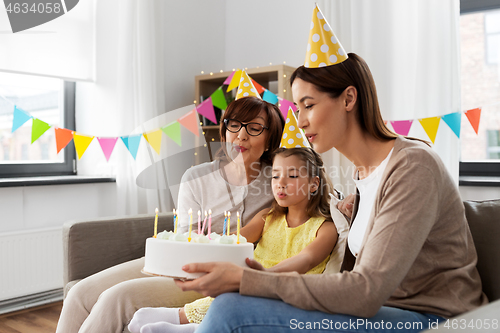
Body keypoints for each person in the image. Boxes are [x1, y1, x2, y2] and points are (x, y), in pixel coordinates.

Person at [174, 53, 488, 333]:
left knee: (230, 310)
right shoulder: (363, 176)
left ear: (348, 99)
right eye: (297, 108)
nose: (300, 119)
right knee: (229, 303)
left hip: (430, 316)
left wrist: (251, 281)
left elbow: (365, 290)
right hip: (383, 308)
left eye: (308, 105)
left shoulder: (412, 166)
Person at [55, 96, 285, 333]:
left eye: (255, 128)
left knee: (116, 297)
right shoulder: (196, 177)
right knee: (79, 293)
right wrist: (253, 227)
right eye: (233, 125)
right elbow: (187, 241)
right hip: (176, 263)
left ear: (270, 139)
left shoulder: (281, 181)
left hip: (212, 279)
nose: (241, 135)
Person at [128, 147, 339, 333]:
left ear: (313, 185)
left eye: (292, 176)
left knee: (235, 300)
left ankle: (187, 323)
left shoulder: (325, 227)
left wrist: (262, 277)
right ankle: (186, 319)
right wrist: (205, 247)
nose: (281, 184)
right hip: (252, 284)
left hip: (288, 293)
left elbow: (306, 260)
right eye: (275, 176)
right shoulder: (268, 216)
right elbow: (236, 240)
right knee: (226, 295)